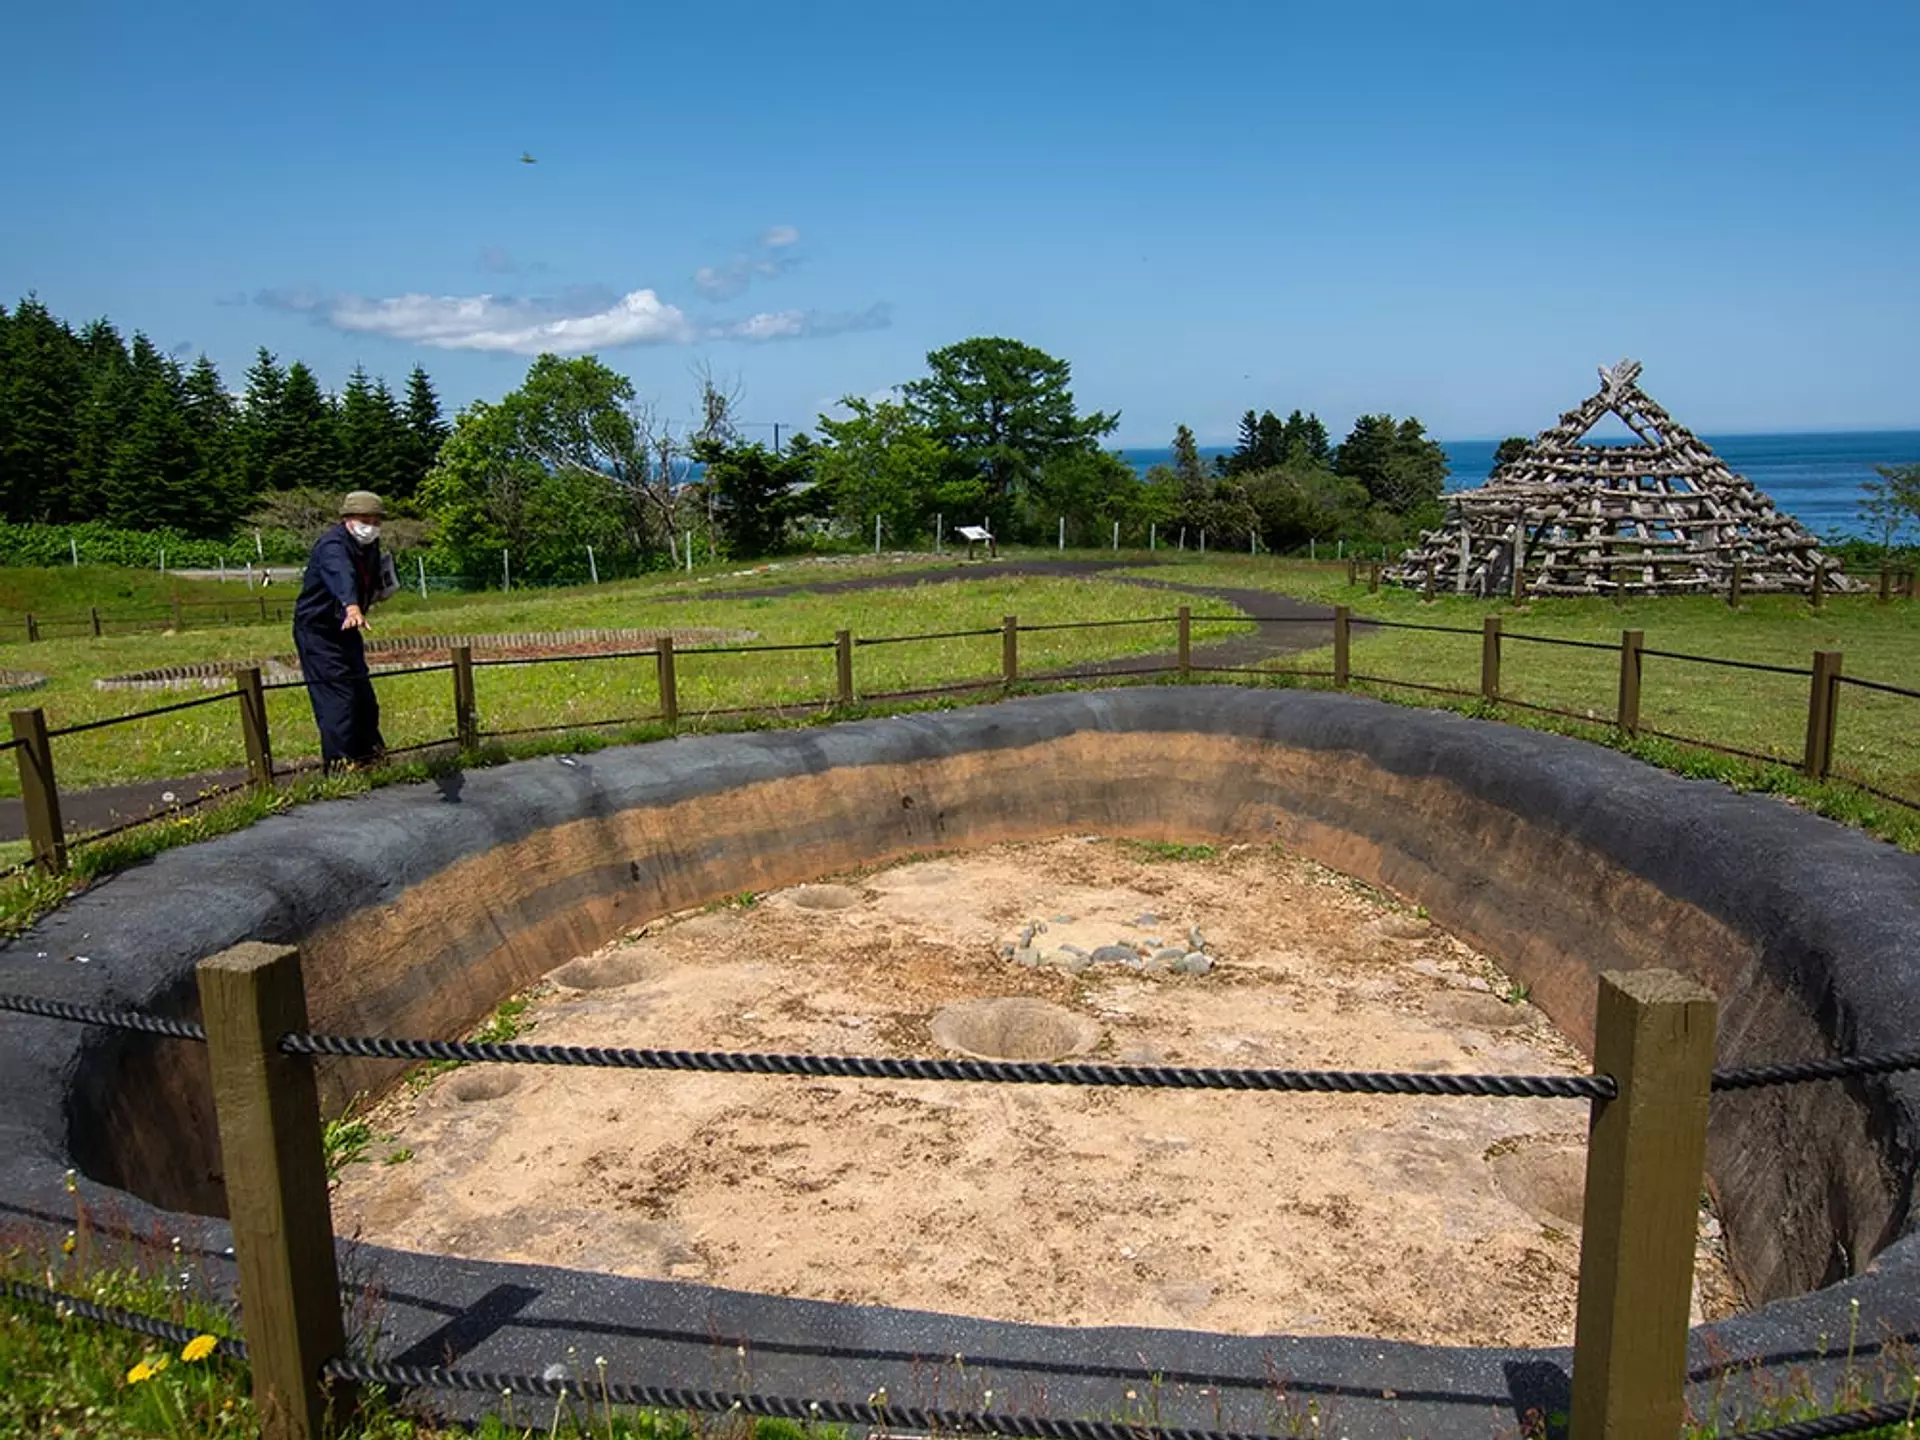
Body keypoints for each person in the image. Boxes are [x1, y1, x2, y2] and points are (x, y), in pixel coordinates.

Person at [294, 491, 396, 771]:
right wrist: (352, 606)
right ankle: (340, 766)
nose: (371, 527)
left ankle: (370, 758)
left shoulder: (369, 545)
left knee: (364, 697)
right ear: (347, 519)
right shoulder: (332, 546)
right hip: (319, 630)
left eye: (376, 521)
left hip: (349, 629)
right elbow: (341, 574)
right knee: (338, 699)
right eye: (365, 520)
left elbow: (371, 576)